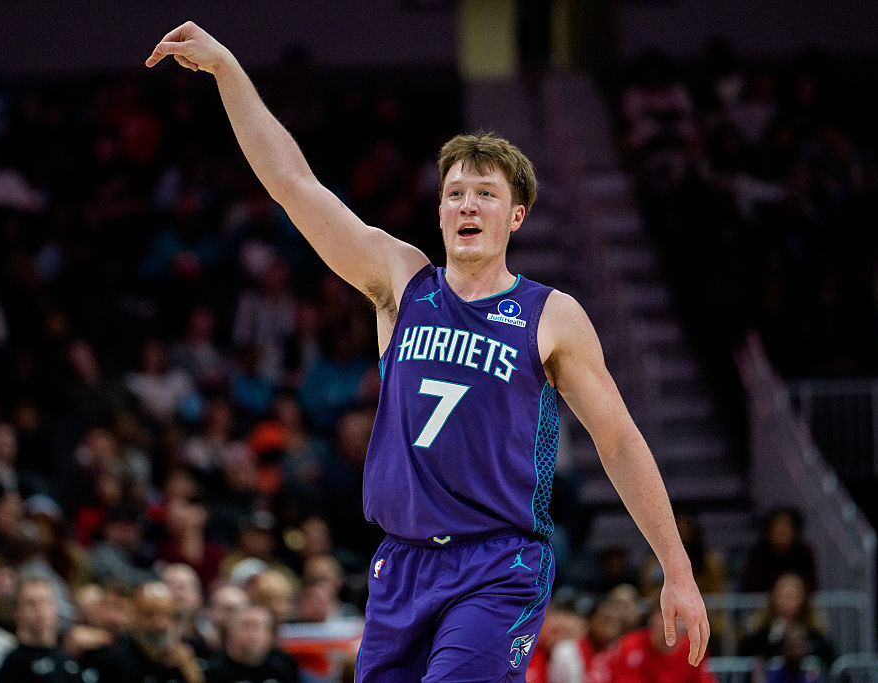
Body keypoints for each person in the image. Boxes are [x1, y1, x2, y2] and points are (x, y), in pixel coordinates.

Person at [145, 22, 710, 680]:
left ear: (516, 216)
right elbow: (294, 184)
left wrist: (676, 567)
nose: (468, 205)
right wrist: (227, 70)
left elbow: (618, 440)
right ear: (440, 210)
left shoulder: (551, 315)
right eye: (455, 193)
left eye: (486, 194)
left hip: (499, 563)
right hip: (402, 562)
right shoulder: (401, 281)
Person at [0, 576, 83, 682]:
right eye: (31, 603)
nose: (40, 609)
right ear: (16, 612)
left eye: (46, 601)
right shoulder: (13, 664)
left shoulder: (69, 659)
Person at [205, 605, 300, 683]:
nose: (253, 635)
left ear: (271, 636)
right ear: (229, 632)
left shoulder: (284, 665)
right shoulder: (212, 671)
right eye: (246, 626)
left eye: (260, 627)